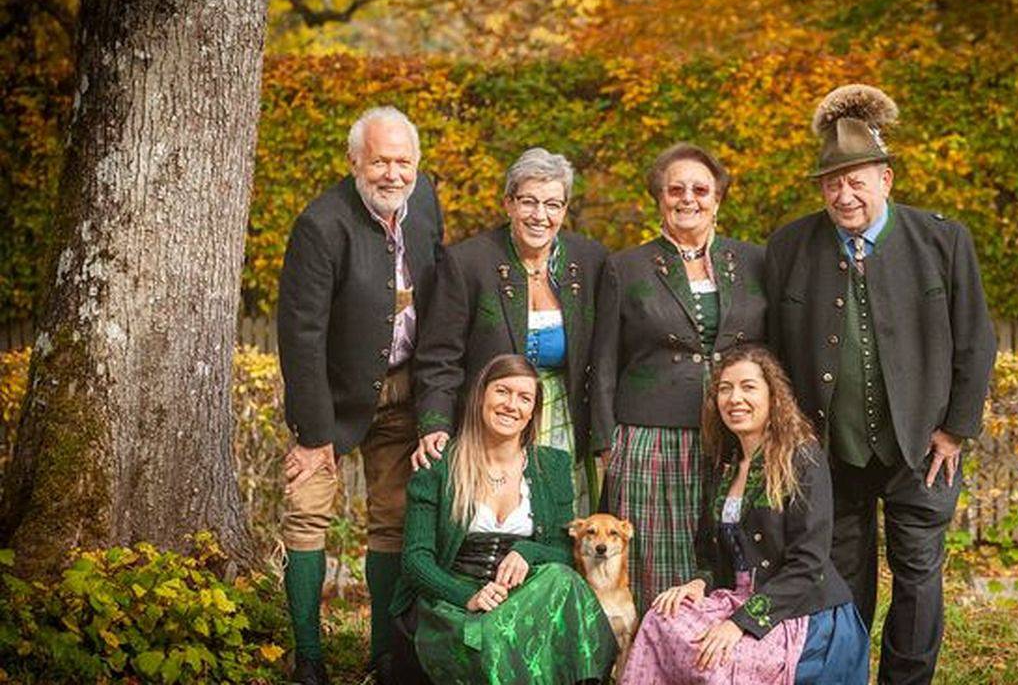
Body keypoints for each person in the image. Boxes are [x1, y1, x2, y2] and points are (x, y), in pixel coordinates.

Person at [765, 84, 997, 684]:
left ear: (885, 179)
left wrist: (954, 431)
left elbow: (975, 340)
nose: (845, 194)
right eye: (832, 183)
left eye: (857, 180)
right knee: (841, 578)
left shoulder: (943, 241)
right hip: (829, 452)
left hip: (922, 448)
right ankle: (844, 676)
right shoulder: (790, 246)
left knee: (918, 575)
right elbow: (774, 349)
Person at [277, 106, 445, 685]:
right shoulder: (321, 225)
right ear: (355, 163)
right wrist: (311, 436)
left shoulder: (424, 203)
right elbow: (300, 334)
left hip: (404, 391)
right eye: (379, 161)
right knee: (306, 514)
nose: (392, 174)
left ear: (417, 165)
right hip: (334, 396)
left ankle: (384, 656)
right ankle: (309, 659)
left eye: (403, 162)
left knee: (394, 521)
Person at [622, 344, 869, 684]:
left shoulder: (802, 458)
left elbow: (807, 564)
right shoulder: (725, 465)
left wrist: (740, 623)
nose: (735, 398)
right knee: (660, 618)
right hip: (736, 599)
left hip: (799, 611)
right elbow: (711, 557)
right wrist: (699, 581)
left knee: (720, 661)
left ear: (773, 396)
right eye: (725, 389)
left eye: (748, 387)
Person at [591, 143, 767, 610]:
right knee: (653, 555)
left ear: (718, 198)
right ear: (659, 198)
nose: (688, 198)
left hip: (735, 431)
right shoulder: (625, 267)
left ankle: (718, 659)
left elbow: (769, 350)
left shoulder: (754, 262)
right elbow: (604, 357)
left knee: (727, 548)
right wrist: (604, 436)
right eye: (676, 189)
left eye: (701, 189)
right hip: (651, 435)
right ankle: (651, 657)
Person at [388, 354, 617, 684]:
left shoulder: (551, 466)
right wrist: (467, 596)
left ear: (533, 412)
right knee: (495, 638)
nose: (512, 404)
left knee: (561, 579)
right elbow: (415, 560)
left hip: (522, 599)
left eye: (524, 398)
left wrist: (527, 552)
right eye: (502, 391)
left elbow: (566, 552)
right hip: (452, 601)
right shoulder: (439, 465)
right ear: (481, 395)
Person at [413, 148, 608, 513]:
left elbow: (605, 355)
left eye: (553, 204)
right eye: (529, 202)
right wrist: (434, 423)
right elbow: (439, 355)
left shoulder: (591, 261)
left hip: (565, 420)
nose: (540, 216)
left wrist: (603, 432)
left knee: (561, 523)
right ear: (508, 203)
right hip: (491, 422)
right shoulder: (468, 262)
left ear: (565, 209)